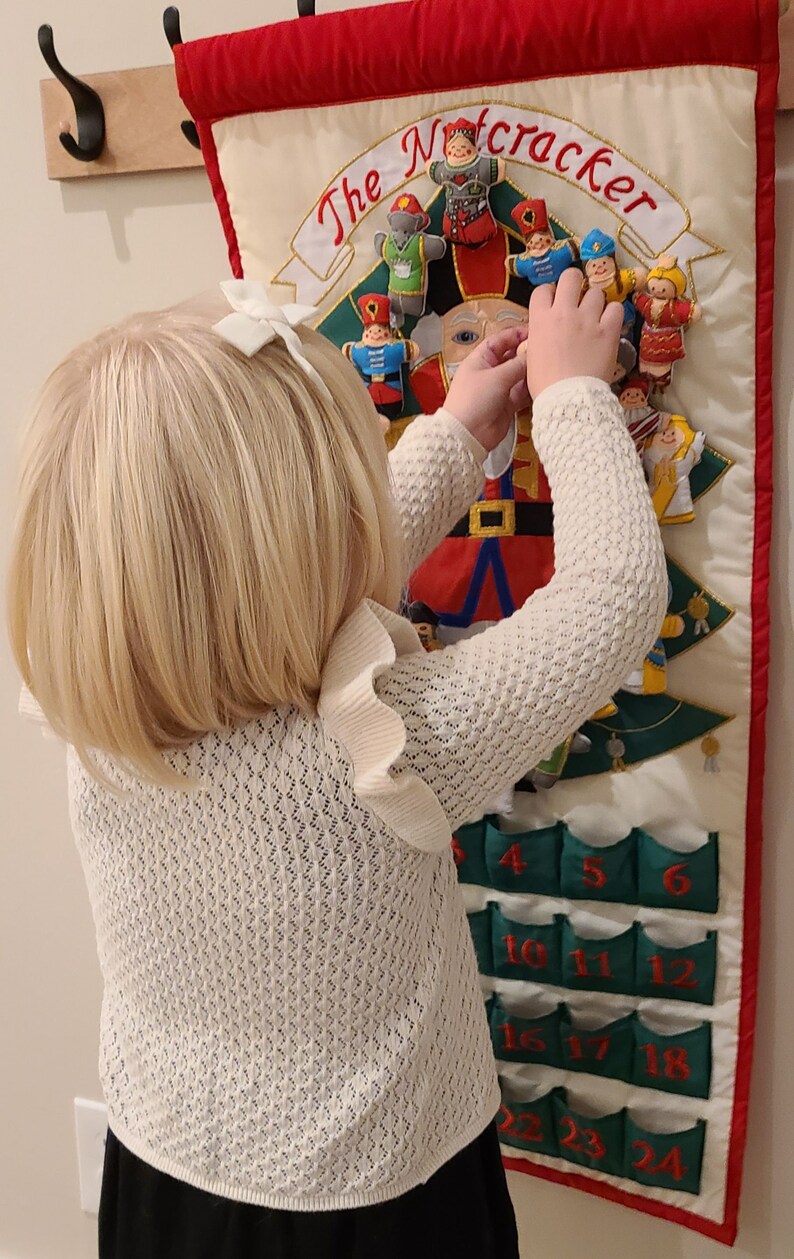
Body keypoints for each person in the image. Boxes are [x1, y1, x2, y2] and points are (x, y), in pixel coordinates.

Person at [8, 269, 666, 1259]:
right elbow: (611, 596)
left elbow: (291, 575)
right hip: (372, 1203)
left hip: (166, 1165)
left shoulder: (104, 697)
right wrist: (572, 393)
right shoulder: (385, 747)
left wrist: (454, 430)